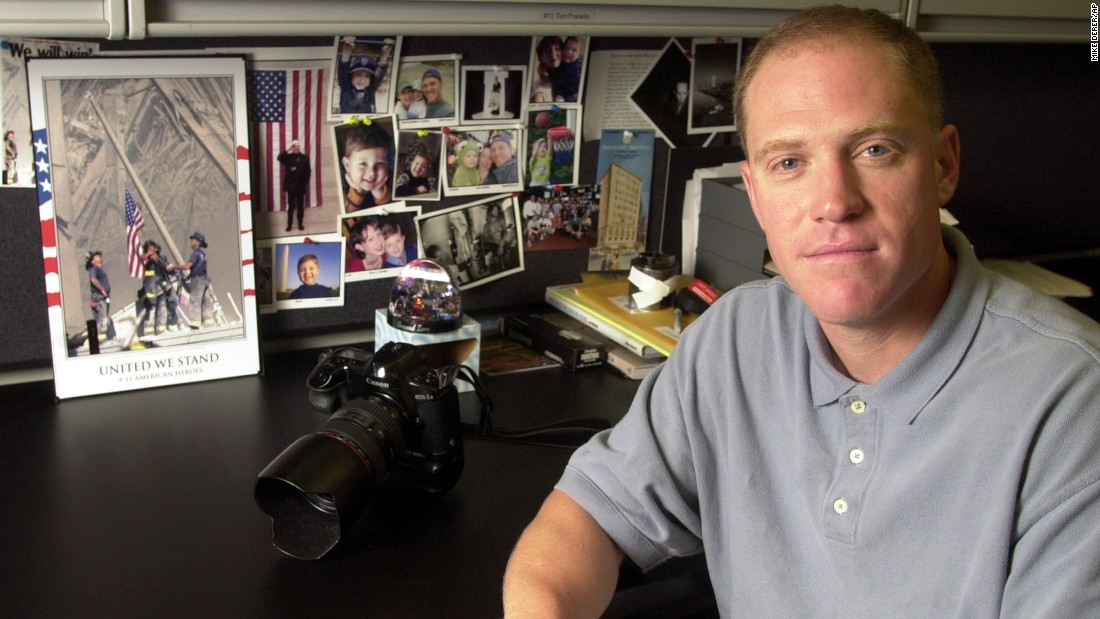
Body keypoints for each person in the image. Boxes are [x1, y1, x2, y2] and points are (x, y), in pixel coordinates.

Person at [503, 6, 1100, 618]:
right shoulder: (736, 338)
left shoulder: (1073, 404)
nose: (834, 202)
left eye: (874, 148)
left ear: (943, 165)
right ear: (755, 194)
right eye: (789, 163)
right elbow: (583, 520)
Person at [342, 122, 392, 213]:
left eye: (379, 164)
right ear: (347, 165)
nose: (372, 173)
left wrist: (380, 194)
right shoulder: (339, 191)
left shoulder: (394, 184)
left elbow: (399, 219)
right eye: (363, 164)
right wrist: (357, 194)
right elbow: (345, 222)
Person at [169, 231, 214, 329]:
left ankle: (195, 324)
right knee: (205, 301)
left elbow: (187, 266)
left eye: (193, 239)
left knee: (195, 301)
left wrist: (174, 267)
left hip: (197, 281)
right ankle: (208, 321)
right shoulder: (203, 254)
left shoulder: (195, 254)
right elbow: (202, 268)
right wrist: (190, 276)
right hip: (205, 280)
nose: (191, 241)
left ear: (198, 242)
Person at [337, 39, 390, 115]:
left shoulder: (371, 89)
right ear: (351, 76)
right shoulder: (346, 87)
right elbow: (343, 68)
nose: (362, 79)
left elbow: (379, 72)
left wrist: (385, 53)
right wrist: (347, 50)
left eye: (367, 76)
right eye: (358, 75)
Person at [277, 139, 311, 231]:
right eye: (294, 146)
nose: (296, 148)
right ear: (292, 148)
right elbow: (279, 158)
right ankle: (289, 225)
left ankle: (300, 224)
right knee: (291, 206)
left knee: (300, 206)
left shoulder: (305, 158)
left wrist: (304, 182)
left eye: (297, 146)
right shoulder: (288, 157)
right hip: (291, 186)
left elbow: (308, 172)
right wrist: (288, 149)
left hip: (300, 186)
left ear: (300, 147)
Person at [84, 249, 111, 341]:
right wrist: (102, 290)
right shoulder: (94, 269)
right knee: (103, 321)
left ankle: (101, 340)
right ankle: (101, 342)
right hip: (99, 298)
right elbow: (93, 280)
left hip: (101, 298)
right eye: (96, 256)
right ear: (92, 261)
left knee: (102, 321)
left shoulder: (98, 269)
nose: (99, 256)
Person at [530, 36, 560, 103]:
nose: (553, 55)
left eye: (557, 49)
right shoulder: (539, 91)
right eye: (548, 51)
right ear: (541, 58)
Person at [554, 36, 583, 102]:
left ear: (579, 55)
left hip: (574, 94)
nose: (569, 52)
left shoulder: (576, 66)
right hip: (563, 94)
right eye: (566, 48)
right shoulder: (560, 63)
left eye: (574, 50)